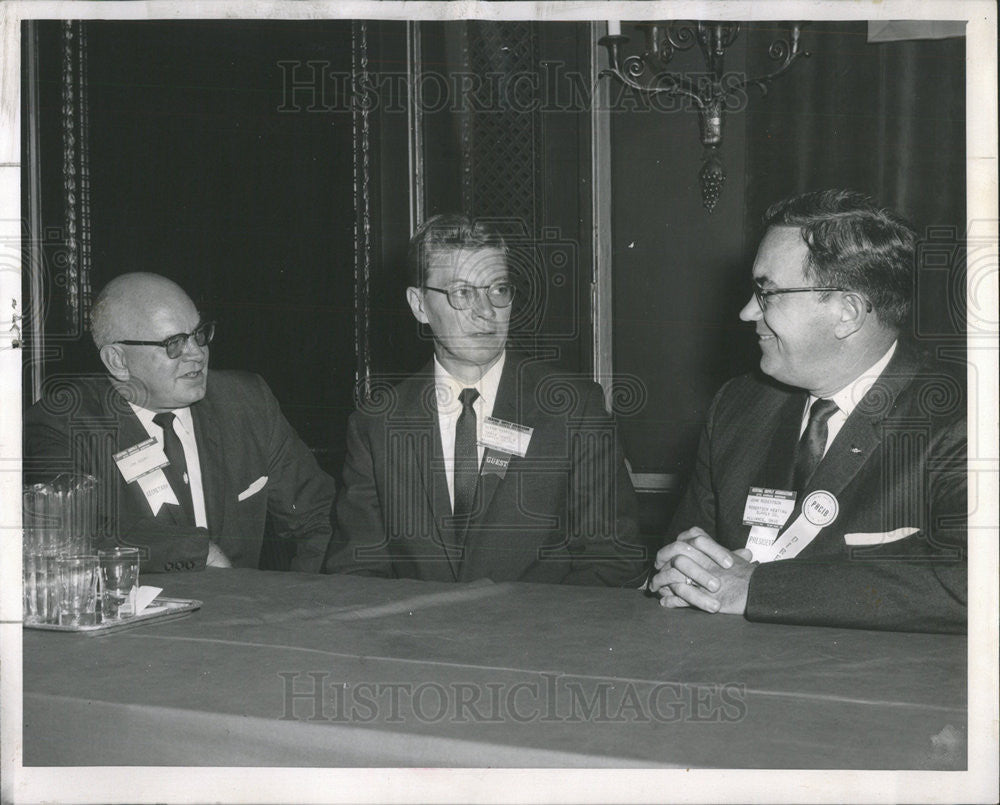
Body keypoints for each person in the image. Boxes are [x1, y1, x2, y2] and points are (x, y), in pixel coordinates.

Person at [649, 190, 966, 633]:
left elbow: (972, 583)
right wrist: (684, 573)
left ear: (847, 313)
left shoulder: (963, 418)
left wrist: (758, 589)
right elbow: (689, 558)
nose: (745, 313)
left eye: (767, 293)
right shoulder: (739, 406)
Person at [327, 214, 646, 585]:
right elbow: (355, 573)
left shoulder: (574, 408)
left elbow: (614, 561)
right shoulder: (377, 423)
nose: (486, 312)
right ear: (419, 306)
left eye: (497, 289)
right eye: (463, 292)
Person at [24, 272, 336, 573]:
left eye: (199, 335)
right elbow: (67, 534)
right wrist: (196, 551)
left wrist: (302, 603)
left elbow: (317, 517)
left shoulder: (246, 403)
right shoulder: (62, 423)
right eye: (174, 343)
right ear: (117, 361)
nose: (197, 354)